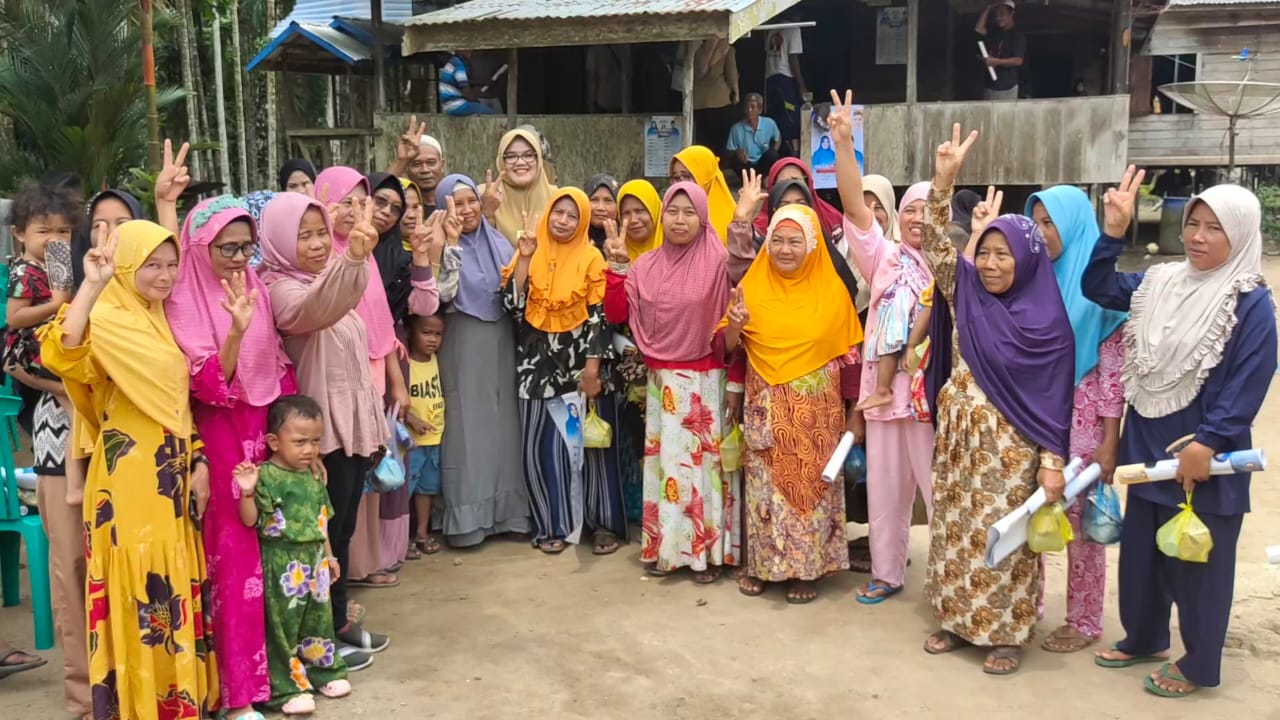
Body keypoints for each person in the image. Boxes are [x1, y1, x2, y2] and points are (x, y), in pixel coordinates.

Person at [1085, 171, 1277, 698]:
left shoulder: (1249, 302)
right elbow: (1100, 288)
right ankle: (1145, 637)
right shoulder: (1162, 281)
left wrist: (1209, 441)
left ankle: (1198, 664)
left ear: (1241, 235)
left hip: (1204, 457)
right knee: (1143, 556)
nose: (1197, 236)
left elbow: (1251, 377)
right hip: (1149, 441)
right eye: (1193, 223)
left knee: (1199, 563)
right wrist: (1113, 232)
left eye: (1214, 228)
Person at [39, 220, 220, 719]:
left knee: (168, 580)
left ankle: (176, 700)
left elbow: (178, 403)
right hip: (128, 476)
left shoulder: (159, 317)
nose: (165, 275)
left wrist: (199, 458)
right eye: (151, 265)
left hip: (171, 470)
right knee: (138, 582)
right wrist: (91, 285)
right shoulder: (105, 318)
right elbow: (60, 351)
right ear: (125, 267)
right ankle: (139, 707)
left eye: (172, 264)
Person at [920, 124, 1075, 676]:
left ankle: (1005, 634)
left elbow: (1055, 402)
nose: (988, 264)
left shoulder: (1050, 328)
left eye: (1002, 255)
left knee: (1004, 536)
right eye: (983, 253)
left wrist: (1052, 462)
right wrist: (943, 182)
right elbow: (935, 245)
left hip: (1011, 454)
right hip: (959, 441)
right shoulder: (966, 293)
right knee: (954, 529)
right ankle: (955, 620)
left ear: (1027, 260)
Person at [165, 193, 304, 719]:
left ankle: (276, 679)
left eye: (247, 247)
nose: (240, 258)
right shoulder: (182, 295)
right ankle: (235, 694)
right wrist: (236, 333)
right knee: (233, 561)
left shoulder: (255, 287)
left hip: (260, 429)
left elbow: (275, 365)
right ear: (200, 246)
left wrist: (290, 440)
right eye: (228, 247)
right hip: (217, 436)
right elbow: (205, 385)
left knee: (273, 553)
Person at [257, 191, 389, 669]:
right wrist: (351, 257)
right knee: (321, 537)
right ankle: (317, 640)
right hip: (316, 439)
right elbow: (317, 309)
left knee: (342, 531)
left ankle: (335, 622)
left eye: (320, 234)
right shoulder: (280, 289)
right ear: (277, 240)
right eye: (303, 236)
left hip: (346, 429)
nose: (316, 244)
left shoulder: (323, 277)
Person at [721, 204, 860, 603]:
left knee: (812, 492)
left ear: (812, 245)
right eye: (777, 240)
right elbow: (730, 351)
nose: (784, 249)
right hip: (765, 410)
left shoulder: (833, 292)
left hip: (817, 419)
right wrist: (735, 326)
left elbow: (852, 359)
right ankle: (765, 566)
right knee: (765, 493)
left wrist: (856, 415)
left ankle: (807, 570)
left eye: (795, 241)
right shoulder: (752, 288)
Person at [828, 92, 936, 605]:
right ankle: (888, 573)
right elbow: (855, 205)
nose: (917, 217)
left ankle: (952, 579)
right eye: (910, 209)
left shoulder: (954, 262)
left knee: (939, 491)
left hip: (930, 398)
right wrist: (843, 146)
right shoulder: (885, 256)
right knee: (886, 491)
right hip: (885, 396)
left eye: (928, 209)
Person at [603, 182, 740, 582]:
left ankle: (707, 556)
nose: (680, 220)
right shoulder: (645, 265)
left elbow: (742, 285)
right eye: (673, 212)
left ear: (703, 217)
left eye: (689, 212)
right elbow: (617, 314)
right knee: (669, 472)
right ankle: (667, 549)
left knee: (703, 473)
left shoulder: (719, 262)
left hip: (706, 383)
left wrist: (744, 218)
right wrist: (617, 267)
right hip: (662, 383)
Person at [1027, 184, 1127, 654]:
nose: (1041, 233)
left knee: (1082, 529)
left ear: (1073, 225)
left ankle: (1084, 620)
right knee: (1034, 515)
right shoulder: (1033, 279)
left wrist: (1110, 442)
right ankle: (1027, 605)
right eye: (1036, 223)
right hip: (1037, 419)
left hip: (1084, 424)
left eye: (1050, 223)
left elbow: (1113, 376)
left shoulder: (1100, 290)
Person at [501, 188, 626, 555]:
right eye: (559, 212)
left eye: (573, 216)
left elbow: (599, 320)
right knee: (534, 450)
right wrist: (525, 258)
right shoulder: (530, 250)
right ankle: (548, 526)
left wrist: (592, 370)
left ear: (582, 222)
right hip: (534, 369)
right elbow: (512, 306)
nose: (564, 221)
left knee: (570, 449)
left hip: (574, 373)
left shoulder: (591, 258)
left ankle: (579, 525)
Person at [5, 186, 84, 716]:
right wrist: (58, 304)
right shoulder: (22, 273)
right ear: (19, 235)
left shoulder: (62, 267)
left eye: (63, 232)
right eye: (44, 232)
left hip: (55, 352)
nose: (54, 240)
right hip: (31, 354)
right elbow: (16, 319)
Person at [234, 395, 352, 715]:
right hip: (281, 563)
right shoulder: (266, 475)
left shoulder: (313, 475)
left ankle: (323, 672)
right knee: (281, 627)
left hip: (314, 561)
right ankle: (285, 687)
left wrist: (330, 557)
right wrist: (247, 491)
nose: (309, 450)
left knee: (318, 620)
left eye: (315, 441)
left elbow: (321, 520)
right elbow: (249, 520)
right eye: (300, 442)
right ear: (274, 442)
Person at [432, 174, 531, 547]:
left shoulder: (499, 243)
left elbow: (516, 295)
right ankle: (468, 520)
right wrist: (452, 245)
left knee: (505, 425)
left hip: (502, 343)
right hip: (461, 343)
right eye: (456, 204)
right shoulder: (439, 244)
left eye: (471, 201)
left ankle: (509, 513)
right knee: (467, 430)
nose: (466, 210)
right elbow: (442, 295)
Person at [402, 313, 446, 556]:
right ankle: (402, 539)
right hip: (411, 442)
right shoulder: (405, 364)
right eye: (426, 333)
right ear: (411, 332)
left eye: (438, 334)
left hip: (434, 439)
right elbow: (395, 400)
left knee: (427, 489)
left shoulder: (437, 360)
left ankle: (422, 533)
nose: (432, 339)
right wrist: (412, 420)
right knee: (405, 490)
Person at [481, 128, 557, 247]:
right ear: (501, 161)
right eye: (511, 156)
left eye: (528, 155)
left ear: (538, 159)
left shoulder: (557, 198)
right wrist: (486, 213)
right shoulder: (484, 195)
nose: (520, 162)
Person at [670, 145, 736, 241]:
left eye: (686, 176)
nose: (680, 183)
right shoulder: (668, 212)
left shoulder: (730, 224)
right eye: (676, 178)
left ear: (705, 177)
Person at [387, 117, 445, 213]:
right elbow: (378, 194)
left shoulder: (455, 202)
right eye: (417, 164)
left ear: (442, 165)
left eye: (431, 163)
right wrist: (402, 160)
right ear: (407, 169)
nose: (425, 170)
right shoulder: (400, 204)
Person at [764, 24, 807, 155]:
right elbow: (793, 58)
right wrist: (801, 85)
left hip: (771, 79)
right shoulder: (794, 29)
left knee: (776, 116)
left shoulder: (772, 29)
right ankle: (793, 153)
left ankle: (778, 153)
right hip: (785, 80)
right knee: (792, 115)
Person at [975, 0, 1025, 101]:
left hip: (1007, 88)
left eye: (1002, 14)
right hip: (990, 86)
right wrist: (988, 7)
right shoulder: (995, 32)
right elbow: (978, 29)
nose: (998, 18)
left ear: (1012, 13)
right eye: (996, 15)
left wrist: (995, 61)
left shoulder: (1017, 35)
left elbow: (1018, 60)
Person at [726, 93, 781, 177]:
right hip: (746, 164)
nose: (749, 110)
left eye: (752, 107)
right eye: (746, 107)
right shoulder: (736, 128)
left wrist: (774, 150)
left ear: (760, 110)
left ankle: (764, 177)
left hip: (762, 163)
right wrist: (737, 152)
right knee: (734, 161)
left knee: (773, 155)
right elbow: (729, 152)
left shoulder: (769, 123)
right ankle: (749, 179)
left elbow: (778, 138)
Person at [439, 50, 496, 116]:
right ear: (460, 50)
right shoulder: (458, 64)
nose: (471, 51)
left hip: (448, 106)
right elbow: (466, 91)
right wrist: (477, 102)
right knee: (490, 113)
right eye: (467, 49)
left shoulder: (452, 62)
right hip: (456, 105)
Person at [586, 44, 627, 113]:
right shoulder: (624, 47)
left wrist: (590, 104)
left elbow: (592, 80)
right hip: (622, 102)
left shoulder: (594, 50)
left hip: (603, 102)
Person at [584, 173, 620, 251]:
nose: (601, 208)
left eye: (608, 200)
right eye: (594, 200)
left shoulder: (626, 239)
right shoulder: (572, 236)